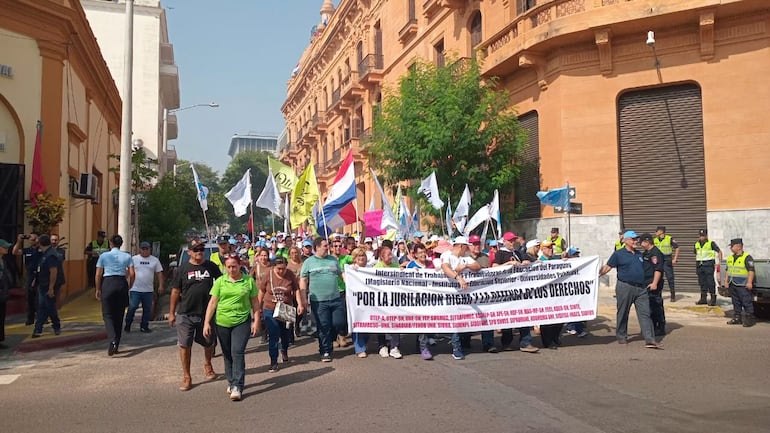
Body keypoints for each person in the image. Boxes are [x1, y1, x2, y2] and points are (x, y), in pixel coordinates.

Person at [203, 255, 260, 401]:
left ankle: (237, 385)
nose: (231, 269)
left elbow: (255, 302)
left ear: (239, 265)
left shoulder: (248, 281)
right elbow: (212, 303)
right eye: (228, 267)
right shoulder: (221, 281)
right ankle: (231, 380)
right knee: (227, 353)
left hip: (242, 321)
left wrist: (256, 320)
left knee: (237, 352)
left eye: (234, 266)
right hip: (222, 322)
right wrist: (207, 322)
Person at [169, 239, 223, 391]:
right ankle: (187, 376)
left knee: (208, 342)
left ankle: (208, 364)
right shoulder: (182, 269)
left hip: (206, 313)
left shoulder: (211, 266)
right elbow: (175, 291)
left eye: (201, 249)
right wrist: (172, 313)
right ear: (189, 252)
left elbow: (221, 284)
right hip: (185, 313)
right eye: (196, 249)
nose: (199, 251)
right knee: (185, 345)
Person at [599, 231, 659, 349]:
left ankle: (650, 339)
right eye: (633, 239)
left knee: (645, 313)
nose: (636, 241)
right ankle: (621, 335)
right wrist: (595, 275)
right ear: (625, 240)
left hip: (641, 288)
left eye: (636, 239)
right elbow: (607, 267)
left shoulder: (639, 254)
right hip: (625, 287)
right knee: (623, 312)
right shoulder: (618, 254)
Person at [300, 237, 346, 362]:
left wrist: (352, 280)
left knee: (339, 323)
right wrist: (303, 299)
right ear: (317, 247)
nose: (328, 248)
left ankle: (330, 339)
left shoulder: (333, 260)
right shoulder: (308, 262)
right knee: (323, 325)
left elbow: (341, 274)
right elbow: (303, 280)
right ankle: (325, 350)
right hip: (319, 300)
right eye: (325, 246)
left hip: (335, 298)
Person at [492, 232, 539, 353]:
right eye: (510, 241)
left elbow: (529, 261)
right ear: (505, 242)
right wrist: (508, 264)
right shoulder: (500, 253)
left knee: (523, 315)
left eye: (514, 240)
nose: (513, 243)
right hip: (506, 290)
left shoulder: (518, 253)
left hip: (520, 290)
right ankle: (506, 342)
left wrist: (527, 263)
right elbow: (494, 267)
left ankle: (526, 342)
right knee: (508, 316)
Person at [259, 256, 305, 372]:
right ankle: (273, 361)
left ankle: (284, 349)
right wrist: (258, 308)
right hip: (270, 308)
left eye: (283, 268)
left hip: (285, 308)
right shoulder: (268, 275)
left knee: (285, 334)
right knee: (273, 334)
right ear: (274, 267)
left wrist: (299, 304)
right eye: (279, 269)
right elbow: (261, 291)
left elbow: (296, 290)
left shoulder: (290, 275)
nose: (281, 271)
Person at [440, 236, 481, 360]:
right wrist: (458, 277)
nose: (468, 249)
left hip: (464, 295)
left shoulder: (465, 258)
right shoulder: (447, 255)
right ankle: (456, 348)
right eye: (466, 246)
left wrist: (465, 266)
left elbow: (477, 266)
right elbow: (446, 268)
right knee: (455, 321)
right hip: (450, 294)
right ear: (461, 246)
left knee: (464, 319)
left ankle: (463, 343)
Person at [95, 234, 134, 355]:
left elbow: (98, 274)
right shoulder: (127, 256)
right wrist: (129, 286)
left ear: (110, 243)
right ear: (121, 244)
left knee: (107, 315)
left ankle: (112, 340)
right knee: (119, 315)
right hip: (121, 283)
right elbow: (132, 274)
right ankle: (116, 344)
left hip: (108, 283)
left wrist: (98, 288)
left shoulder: (104, 256)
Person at [466, 234, 498, 353]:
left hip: (484, 292)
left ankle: (488, 343)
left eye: (478, 244)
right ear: (469, 245)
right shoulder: (463, 257)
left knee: (486, 317)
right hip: (467, 293)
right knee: (467, 317)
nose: (476, 246)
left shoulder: (485, 257)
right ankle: (465, 340)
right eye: (474, 244)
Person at [124, 241, 164, 333]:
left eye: (147, 249)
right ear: (140, 249)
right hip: (135, 289)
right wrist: (124, 283)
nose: (145, 251)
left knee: (147, 309)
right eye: (143, 249)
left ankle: (144, 326)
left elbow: (159, 274)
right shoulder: (134, 259)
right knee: (133, 307)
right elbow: (128, 272)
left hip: (148, 290)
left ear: (150, 249)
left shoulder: (154, 260)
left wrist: (161, 285)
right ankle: (128, 324)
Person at [374, 242, 403, 359]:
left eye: (391, 254)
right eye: (388, 255)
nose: (391, 257)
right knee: (381, 322)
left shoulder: (396, 266)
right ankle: (382, 346)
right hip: (381, 299)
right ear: (382, 257)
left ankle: (394, 346)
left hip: (394, 300)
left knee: (395, 321)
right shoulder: (377, 267)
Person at [32, 234, 64, 338]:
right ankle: (40, 328)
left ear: (40, 243)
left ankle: (54, 326)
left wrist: (51, 288)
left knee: (48, 307)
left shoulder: (50, 255)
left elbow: (53, 272)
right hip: (43, 285)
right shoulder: (44, 254)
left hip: (48, 286)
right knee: (44, 307)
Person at [723, 238, 756, 327]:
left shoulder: (747, 257)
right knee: (735, 301)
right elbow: (727, 270)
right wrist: (726, 281)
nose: (730, 248)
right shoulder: (730, 258)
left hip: (743, 284)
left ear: (738, 246)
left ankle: (750, 319)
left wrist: (749, 282)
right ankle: (737, 317)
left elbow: (751, 270)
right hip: (732, 283)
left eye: (732, 246)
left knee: (746, 301)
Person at [639, 233, 666, 336]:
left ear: (647, 242)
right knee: (649, 306)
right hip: (646, 283)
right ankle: (652, 326)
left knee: (656, 305)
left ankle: (660, 327)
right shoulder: (646, 253)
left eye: (641, 242)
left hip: (653, 283)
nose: (640, 244)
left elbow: (658, 269)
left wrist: (654, 283)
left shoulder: (655, 253)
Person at [12, 232, 41, 325]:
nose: (31, 241)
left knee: (39, 298)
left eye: (33, 239)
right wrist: (19, 241)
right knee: (29, 297)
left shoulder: (41, 249)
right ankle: (30, 318)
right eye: (30, 239)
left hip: (40, 275)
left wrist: (38, 241)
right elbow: (15, 252)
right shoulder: (27, 250)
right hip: (30, 275)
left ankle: (42, 317)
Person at [694, 229, 722, 306]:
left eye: (703, 236)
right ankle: (703, 299)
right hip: (700, 265)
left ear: (706, 236)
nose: (701, 237)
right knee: (702, 282)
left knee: (710, 282)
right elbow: (696, 253)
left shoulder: (711, 243)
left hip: (708, 265)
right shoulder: (696, 244)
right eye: (700, 236)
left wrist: (719, 263)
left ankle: (713, 299)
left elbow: (719, 252)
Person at [653, 226, 680, 302]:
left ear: (661, 231)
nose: (655, 233)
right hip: (658, 260)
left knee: (670, 278)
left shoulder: (669, 238)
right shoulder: (655, 240)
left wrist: (675, 259)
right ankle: (658, 295)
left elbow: (677, 248)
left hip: (667, 259)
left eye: (657, 231)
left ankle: (673, 295)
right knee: (658, 278)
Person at [0, 239, 13, 348]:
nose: (7, 248)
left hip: (2, 294)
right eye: (4, 247)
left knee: (1, 317)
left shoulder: (3, 260)